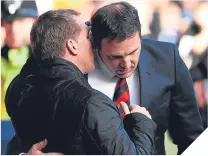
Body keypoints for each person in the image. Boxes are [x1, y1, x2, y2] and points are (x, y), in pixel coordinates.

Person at [8, 1, 204, 155]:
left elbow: (191, 138)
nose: (127, 63)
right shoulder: (65, 73)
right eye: (115, 56)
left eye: (134, 51)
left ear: (140, 36)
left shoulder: (167, 59)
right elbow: (25, 133)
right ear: (94, 42)